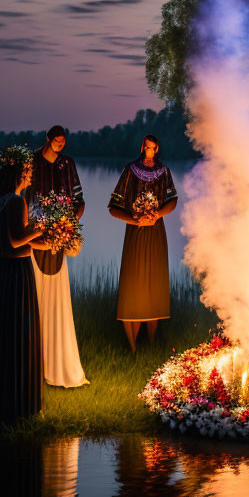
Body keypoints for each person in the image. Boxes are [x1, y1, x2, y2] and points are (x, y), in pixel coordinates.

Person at [0, 146, 51, 425]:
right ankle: (21, 407)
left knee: (2, 338)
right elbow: (19, 239)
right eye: (29, 170)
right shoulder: (16, 201)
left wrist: (41, 238)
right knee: (20, 335)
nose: (31, 174)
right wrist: (42, 226)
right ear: (19, 173)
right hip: (18, 274)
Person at [27, 126, 88, 388]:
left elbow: (79, 199)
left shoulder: (67, 164)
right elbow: (25, 195)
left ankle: (58, 364)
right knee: (35, 299)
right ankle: (33, 364)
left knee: (56, 298)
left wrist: (68, 224)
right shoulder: (32, 161)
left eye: (64, 141)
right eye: (57, 141)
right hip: (35, 235)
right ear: (48, 140)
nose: (61, 144)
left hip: (60, 236)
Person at [107, 135, 178, 352]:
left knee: (154, 282)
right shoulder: (130, 170)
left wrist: (156, 215)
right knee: (133, 283)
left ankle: (152, 345)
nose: (149, 151)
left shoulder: (164, 172)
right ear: (142, 148)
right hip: (136, 234)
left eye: (153, 148)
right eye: (146, 147)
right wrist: (135, 219)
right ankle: (133, 347)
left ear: (157, 149)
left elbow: (173, 200)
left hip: (156, 232)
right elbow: (113, 207)